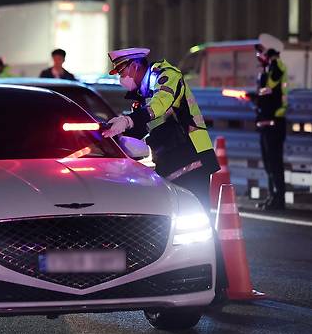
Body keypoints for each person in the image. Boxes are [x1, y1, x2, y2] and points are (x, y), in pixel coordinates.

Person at [102, 48, 227, 300]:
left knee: (199, 226)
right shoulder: (140, 96)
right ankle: (189, 281)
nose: (121, 78)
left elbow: (162, 103)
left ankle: (219, 286)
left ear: (136, 65)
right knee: (179, 229)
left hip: (193, 160)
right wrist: (109, 132)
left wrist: (128, 121)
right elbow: (140, 129)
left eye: (122, 71)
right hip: (169, 168)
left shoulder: (164, 74)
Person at [252, 33, 288, 210]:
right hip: (265, 124)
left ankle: (279, 199)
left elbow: (272, 87)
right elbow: (264, 95)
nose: (259, 57)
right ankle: (272, 197)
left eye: (262, 52)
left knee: (275, 163)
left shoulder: (277, 67)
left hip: (275, 123)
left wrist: (272, 59)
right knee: (268, 164)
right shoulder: (267, 70)